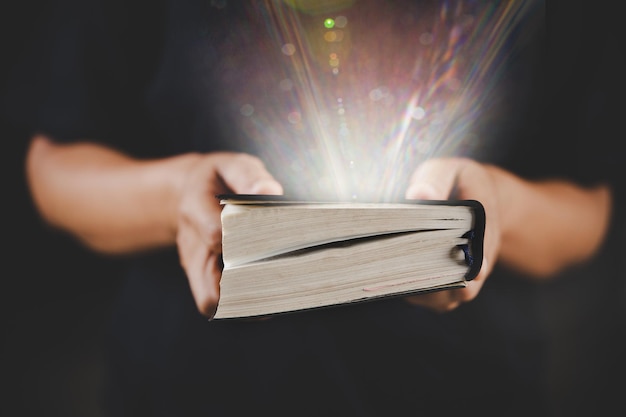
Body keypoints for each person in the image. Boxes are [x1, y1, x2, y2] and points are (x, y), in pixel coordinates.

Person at [4, 0, 625, 415]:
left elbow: (589, 206)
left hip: (460, 391)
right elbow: (55, 164)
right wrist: (177, 197)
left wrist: (497, 210)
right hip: (193, 392)